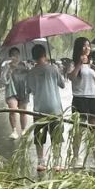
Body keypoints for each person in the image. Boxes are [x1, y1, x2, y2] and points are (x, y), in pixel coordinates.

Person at [67, 37, 95, 170]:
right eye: (84, 46)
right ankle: (76, 158)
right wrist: (79, 64)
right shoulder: (73, 63)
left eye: (88, 46)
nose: (87, 48)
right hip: (80, 98)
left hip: (93, 98)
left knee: (94, 131)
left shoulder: (93, 63)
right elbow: (71, 77)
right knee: (79, 131)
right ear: (78, 48)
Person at [24, 44, 67, 172]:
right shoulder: (53, 69)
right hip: (55, 108)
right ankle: (56, 162)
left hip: (39, 109)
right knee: (56, 136)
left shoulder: (30, 72)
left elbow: (28, 90)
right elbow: (62, 85)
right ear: (45, 54)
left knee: (39, 137)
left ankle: (41, 162)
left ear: (33, 56)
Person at [1, 47, 29, 139]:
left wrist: (28, 69)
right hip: (11, 90)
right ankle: (14, 130)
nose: (15, 56)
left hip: (23, 90)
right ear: (10, 56)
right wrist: (9, 71)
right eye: (13, 55)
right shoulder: (7, 66)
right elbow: (3, 80)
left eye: (17, 54)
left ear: (19, 55)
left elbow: (30, 76)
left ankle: (24, 129)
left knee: (23, 111)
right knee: (12, 109)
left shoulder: (24, 65)